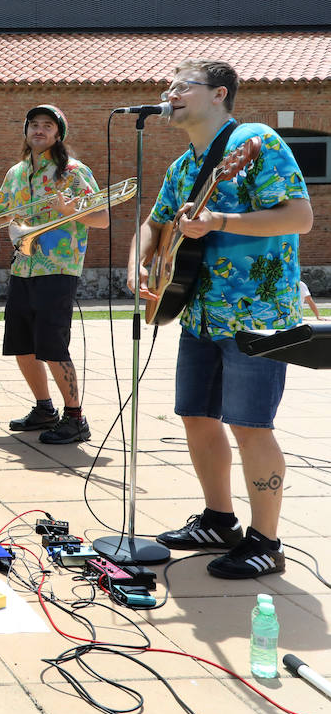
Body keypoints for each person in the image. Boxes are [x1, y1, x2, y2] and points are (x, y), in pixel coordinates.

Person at [128, 58, 312, 579]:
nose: (170, 93)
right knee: (197, 417)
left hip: (256, 313)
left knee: (251, 426)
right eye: (168, 86)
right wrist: (140, 260)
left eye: (183, 86)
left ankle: (266, 542)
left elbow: (300, 217)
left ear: (219, 94)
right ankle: (219, 520)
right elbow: (155, 221)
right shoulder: (184, 166)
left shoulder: (255, 141)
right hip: (198, 312)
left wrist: (221, 221)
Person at [0, 104, 108, 445]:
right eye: (34, 125)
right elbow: (0, 214)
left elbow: (102, 218)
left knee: (52, 346)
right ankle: (45, 409)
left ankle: (76, 418)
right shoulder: (16, 172)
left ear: (59, 134)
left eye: (47, 125)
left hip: (58, 267)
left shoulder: (73, 172)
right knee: (22, 344)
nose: (39, 130)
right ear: (25, 131)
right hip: (23, 266)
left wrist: (71, 211)